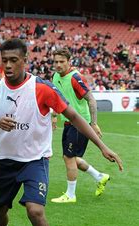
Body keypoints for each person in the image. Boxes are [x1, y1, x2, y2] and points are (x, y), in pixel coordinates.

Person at [0, 39, 123, 226]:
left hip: (35, 159)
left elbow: (75, 116)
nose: (9, 65)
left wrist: (102, 146)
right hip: (5, 161)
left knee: (35, 211)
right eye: (5, 60)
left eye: (14, 60)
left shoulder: (42, 88)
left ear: (25, 60)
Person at [50, 48, 111, 203]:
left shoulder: (75, 78)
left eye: (61, 62)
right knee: (70, 157)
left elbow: (91, 99)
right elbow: (57, 98)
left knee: (69, 158)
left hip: (80, 123)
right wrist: (55, 116)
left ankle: (71, 195)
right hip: (68, 123)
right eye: (56, 61)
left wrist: (94, 124)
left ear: (69, 62)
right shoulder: (55, 76)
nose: (58, 65)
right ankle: (99, 176)